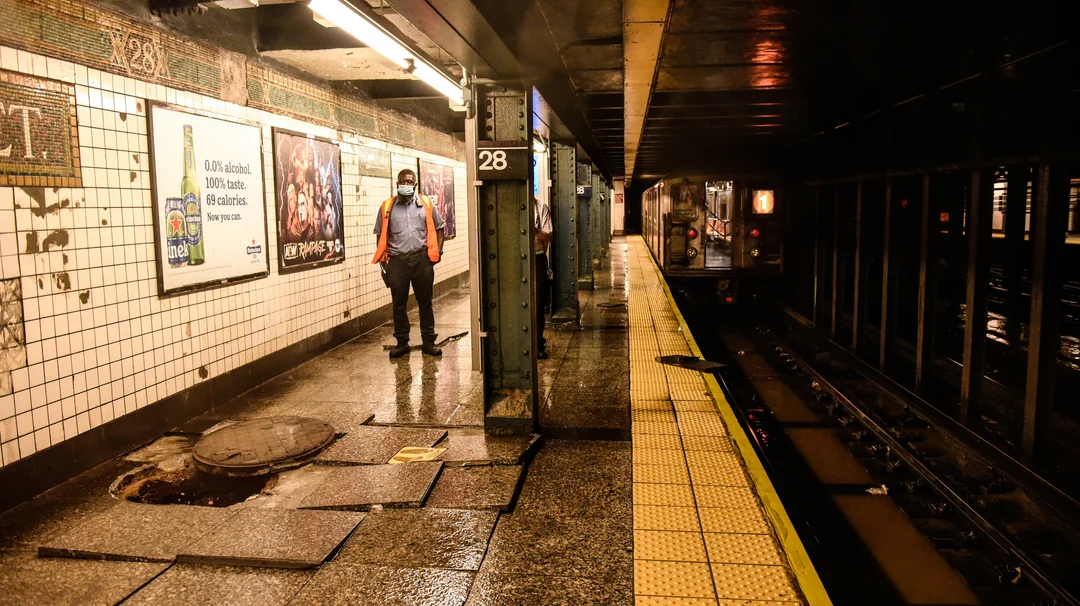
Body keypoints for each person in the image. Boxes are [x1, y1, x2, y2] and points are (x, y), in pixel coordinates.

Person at [372, 169, 445, 358]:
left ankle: (428, 341)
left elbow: (440, 228)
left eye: (409, 182)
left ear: (415, 184)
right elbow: (380, 234)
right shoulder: (387, 207)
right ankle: (402, 343)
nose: (405, 185)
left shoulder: (426, 204)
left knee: (425, 302)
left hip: (422, 260)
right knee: (399, 304)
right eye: (402, 182)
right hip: (397, 261)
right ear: (397, 184)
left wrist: (437, 252)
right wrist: (386, 263)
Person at [534, 196, 553, 359]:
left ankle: (537, 342)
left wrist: (534, 231)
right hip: (513, 260)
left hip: (537, 258)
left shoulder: (540, 208)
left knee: (537, 303)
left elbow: (548, 236)